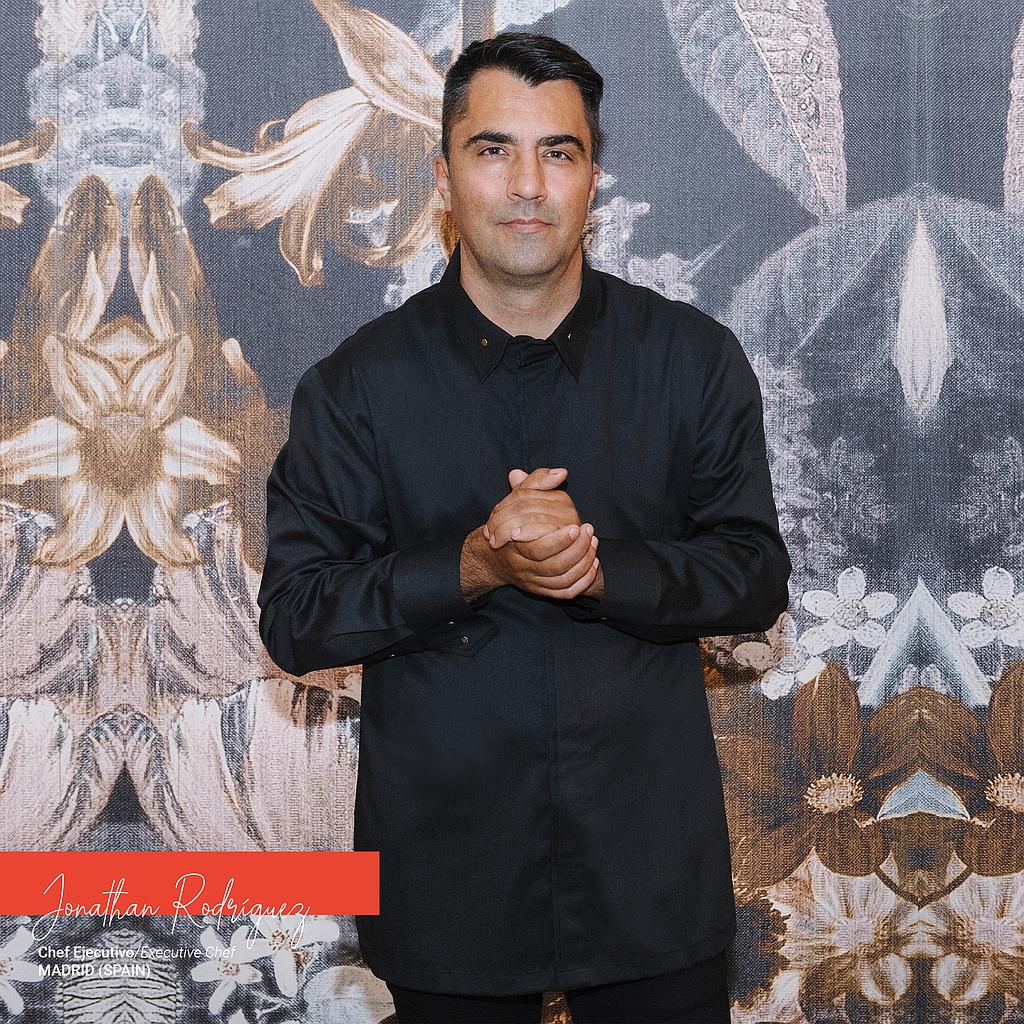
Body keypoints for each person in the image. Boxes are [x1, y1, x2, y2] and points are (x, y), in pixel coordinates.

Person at [257, 30, 792, 1024]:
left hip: (649, 874)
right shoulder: (356, 387)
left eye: (559, 152)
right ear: (443, 177)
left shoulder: (692, 360)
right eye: (493, 149)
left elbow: (754, 573)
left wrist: (599, 568)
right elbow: (297, 616)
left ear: (592, 180)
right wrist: (470, 564)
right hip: (444, 879)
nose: (527, 185)